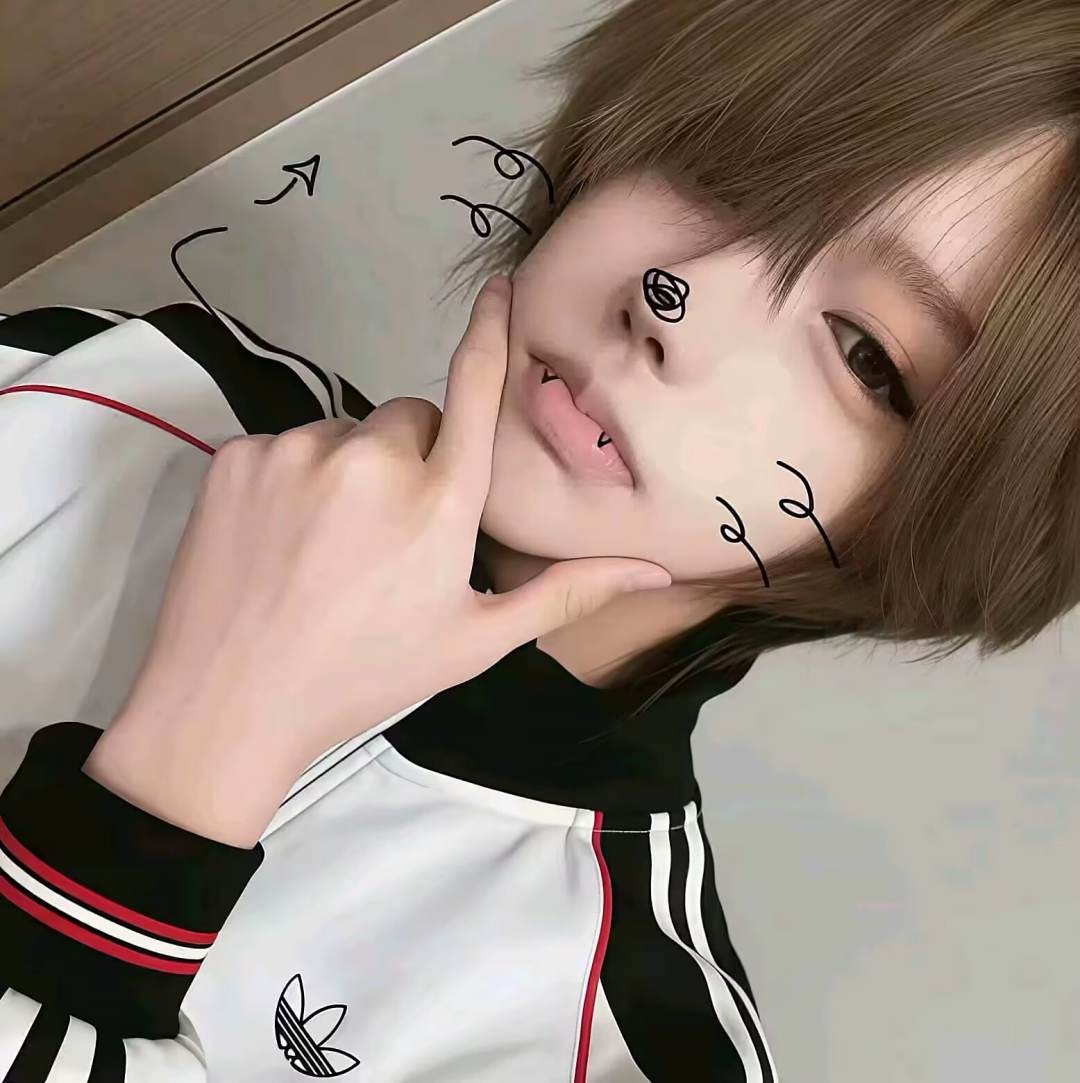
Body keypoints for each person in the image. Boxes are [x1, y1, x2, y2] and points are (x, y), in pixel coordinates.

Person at [1, 0, 1078, 1079]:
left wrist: (200, 759)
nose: (676, 300)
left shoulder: (638, 1041)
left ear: (946, 527)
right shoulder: (119, 390)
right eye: (714, 169)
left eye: (864, 353)